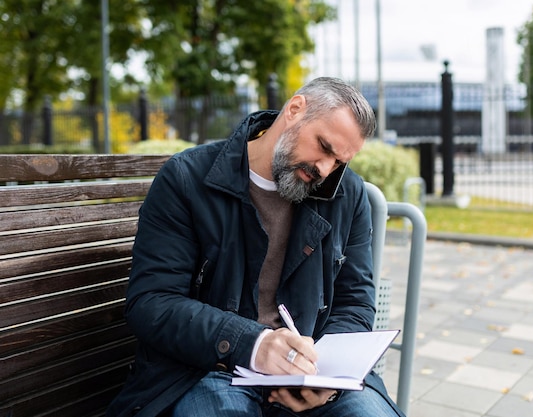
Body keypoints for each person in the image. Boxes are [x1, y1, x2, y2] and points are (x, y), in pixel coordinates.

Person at [107, 77, 405, 417]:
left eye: (339, 161)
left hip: (309, 376)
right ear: (295, 110)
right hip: (207, 369)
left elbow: (354, 304)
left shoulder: (346, 194)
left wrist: (329, 377)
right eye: (324, 147)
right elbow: (152, 303)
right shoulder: (186, 179)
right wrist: (252, 343)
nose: (325, 169)